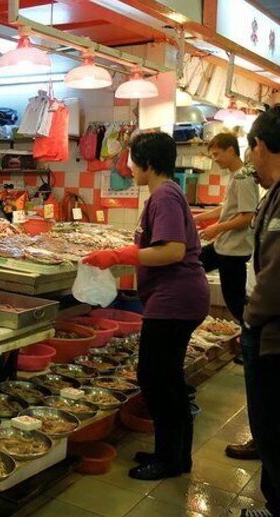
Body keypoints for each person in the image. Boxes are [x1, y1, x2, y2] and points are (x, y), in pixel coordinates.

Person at [84, 132, 209, 481]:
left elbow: (172, 250)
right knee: (167, 379)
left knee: (157, 379)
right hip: (177, 299)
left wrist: (118, 255)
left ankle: (169, 460)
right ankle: (174, 455)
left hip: (175, 301)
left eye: (133, 160)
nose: (129, 167)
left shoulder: (164, 195)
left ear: (148, 164)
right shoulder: (165, 194)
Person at [194, 133, 261, 460]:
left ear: (233, 151)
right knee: (192, 265)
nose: (215, 159)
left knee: (236, 302)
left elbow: (247, 216)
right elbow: (229, 209)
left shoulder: (246, 176)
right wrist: (203, 218)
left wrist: (215, 229)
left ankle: (247, 342)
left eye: (218, 153)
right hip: (225, 247)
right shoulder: (237, 176)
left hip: (234, 250)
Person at [240, 105, 280, 517]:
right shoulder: (275, 193)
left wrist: (252, 316)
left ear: (261, 145)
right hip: (268, 328)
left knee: (273, 428)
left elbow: (277, 277)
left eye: (252, 149)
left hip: (273, 333)